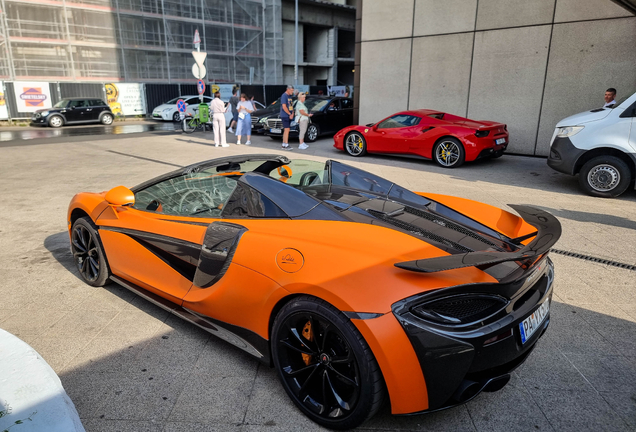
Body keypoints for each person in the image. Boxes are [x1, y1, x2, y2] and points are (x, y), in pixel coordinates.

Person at [280, 85, 294, 150]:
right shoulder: (284, 96)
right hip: (285, 115)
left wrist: (293, 113)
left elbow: (291, 105)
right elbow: (284, 106)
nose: (292, 92)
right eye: (291, 90)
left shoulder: (290, 96)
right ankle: (286, 144)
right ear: (288, 89)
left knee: (287, 130)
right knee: (287, 129)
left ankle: (284, 144)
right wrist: (289, 114)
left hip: (289, 115)